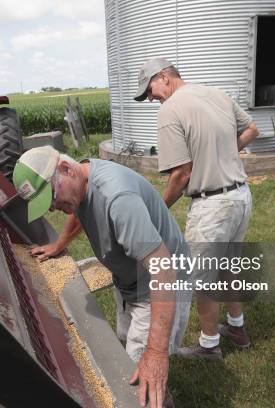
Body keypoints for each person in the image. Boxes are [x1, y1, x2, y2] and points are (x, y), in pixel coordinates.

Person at [13, 146, 190, 408]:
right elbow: (79, 208)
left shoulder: (118, 198)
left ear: (65, 169)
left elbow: (163, 269)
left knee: (137, 379)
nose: (52, 208)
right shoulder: (82, 179)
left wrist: (156, 352)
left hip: (159, 284)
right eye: (46, 203)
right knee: (129, 363)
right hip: (131, 281)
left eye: (52, 197)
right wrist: (60, 243)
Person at [133, 58, 259, 361]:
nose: (150, 98)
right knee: (229, 267)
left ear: (164, 77)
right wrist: (224, 153)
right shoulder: (216, 93)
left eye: (149, 90)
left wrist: (158, 209)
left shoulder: (171, 109)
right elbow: (253, 129)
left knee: (202, 280)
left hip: (213, 207)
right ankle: (237, 329)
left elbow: (182, 174)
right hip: (241, 198)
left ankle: (209, 344)